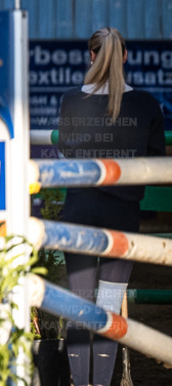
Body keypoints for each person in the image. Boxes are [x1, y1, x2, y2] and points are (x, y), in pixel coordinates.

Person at [56, 26, 165, 386]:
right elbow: (153, 162)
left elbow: (68, 149)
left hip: (79, 215)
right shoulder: (147, 105)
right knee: (108, 308)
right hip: (123, 217)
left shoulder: (72, 100)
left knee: (78, 307)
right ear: (125, 57)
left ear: (91, 57)